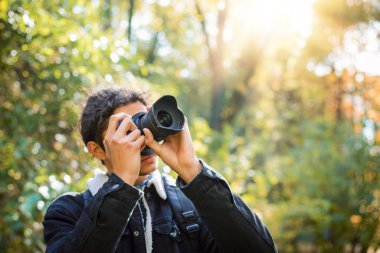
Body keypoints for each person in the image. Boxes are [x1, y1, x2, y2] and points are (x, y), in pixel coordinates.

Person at [43, 88, 278, 253]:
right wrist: (121, 183)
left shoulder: (190, 205)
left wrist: (193, 172)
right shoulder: (67, 212)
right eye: (127, 131)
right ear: (97, 149)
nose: (145, 137)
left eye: (143, 122)